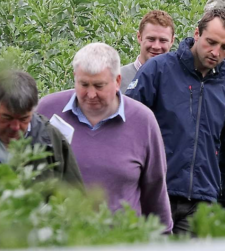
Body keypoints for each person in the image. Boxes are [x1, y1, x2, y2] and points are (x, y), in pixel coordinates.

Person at [126, 8, 225, 234]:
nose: (215, 52)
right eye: (211, 42)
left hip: (201, 201)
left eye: (224, 47)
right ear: (197, 34)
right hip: (155, 194)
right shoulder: (158, 70)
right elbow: (128, 130)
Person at [38, 44, 172, 230]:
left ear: (117, 81)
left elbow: (155, 192)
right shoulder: (48, 110)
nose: (91, 94)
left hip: (120, 247)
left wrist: (162, 243)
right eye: (84, 85)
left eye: (99, 86)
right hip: (61, 246)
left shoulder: (143, 121)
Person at [0, 70, 82, 184]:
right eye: (7, 118)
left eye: (24, 119)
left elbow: (74, 198)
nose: (15, 127)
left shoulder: (50, 138)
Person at [120, 10, 175, 91]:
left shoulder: (179, 80)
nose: (156, 46)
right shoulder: (118, 78)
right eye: (151, 39)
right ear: (139, 37)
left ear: (172, 41)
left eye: (163, 40)